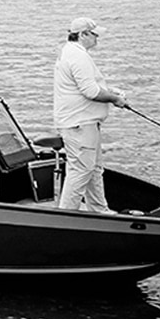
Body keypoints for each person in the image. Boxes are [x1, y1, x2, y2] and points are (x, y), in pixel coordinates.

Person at [54, 16, 128, 213]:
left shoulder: (71, 52)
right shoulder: (78, 56)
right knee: (81, 170)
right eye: (95, 35)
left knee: (93, 169)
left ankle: (99, 210)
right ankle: (66, 215)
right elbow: (91, 92)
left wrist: (111, 91)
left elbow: (87, 85)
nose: (97, 39)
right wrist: (115, 99)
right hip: (80, 124)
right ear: (82, 34)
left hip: (85, 123)